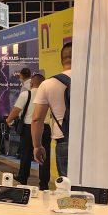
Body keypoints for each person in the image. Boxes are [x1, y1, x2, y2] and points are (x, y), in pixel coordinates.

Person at [32, 42, 72, 178]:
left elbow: (37, 119)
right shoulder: (95, 80)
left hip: (64, 142)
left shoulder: (48, 84)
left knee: (68, 186)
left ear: (62, 60)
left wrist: (37, 146)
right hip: (94, 142)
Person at [8, 74, 51, 189]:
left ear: (31, 83)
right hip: (45, 127)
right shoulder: (48, 94)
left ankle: (23, 177)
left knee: (25, 154)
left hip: (28, 127)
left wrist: (8, 120)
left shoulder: (25, 94)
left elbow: (16, 110)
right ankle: (44, 184)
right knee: (44, 156)